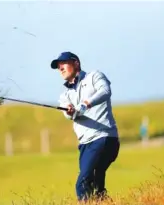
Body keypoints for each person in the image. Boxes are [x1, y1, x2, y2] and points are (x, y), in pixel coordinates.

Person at [50, 51, 120, 202]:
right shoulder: (65, 95)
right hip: (85, 145)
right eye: (58, 66)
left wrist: (85, 104)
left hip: (104, 138)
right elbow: (68, 114)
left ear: (76, 63)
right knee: (95, 186)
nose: (60, 68)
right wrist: (70, 110)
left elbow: (105, 91)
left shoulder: (94, 76)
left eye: (64, 64)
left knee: (82, 184)